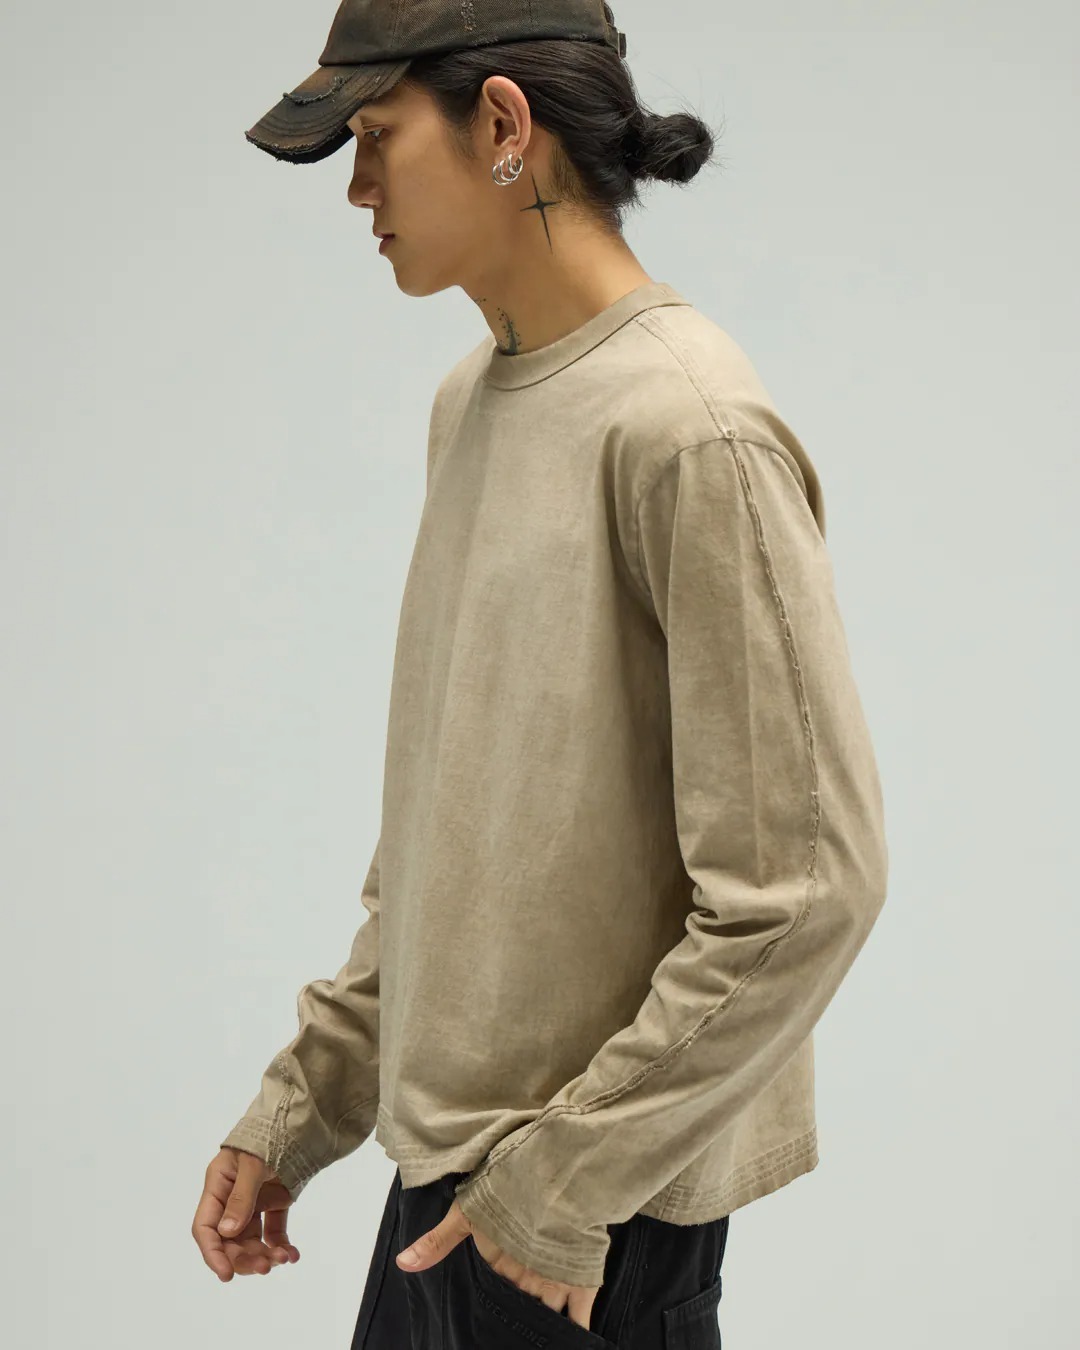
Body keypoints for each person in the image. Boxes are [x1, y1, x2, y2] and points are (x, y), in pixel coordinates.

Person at [190, 2, 890, 1346]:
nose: (357, 189)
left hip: (578, 1234)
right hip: (450, 1194)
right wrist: (305, 1101)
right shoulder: (474, 400)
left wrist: (565, 1182)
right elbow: (448, 846)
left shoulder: (689, 429)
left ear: (505, 126)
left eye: (377, 137)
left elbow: (806, 888)